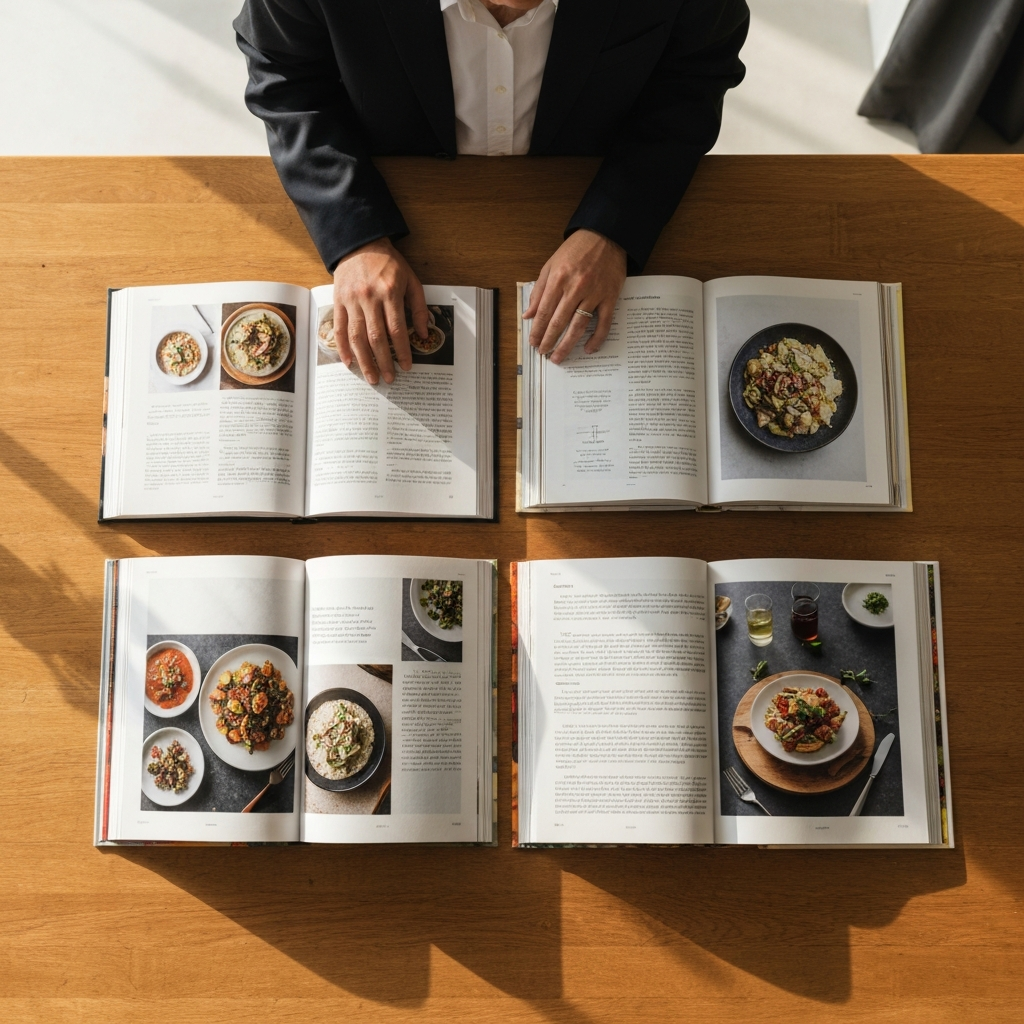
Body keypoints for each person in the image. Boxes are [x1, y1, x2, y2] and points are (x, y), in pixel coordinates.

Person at [235, 0, 749, 383]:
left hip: (583, 177)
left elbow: (696, 75)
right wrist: (355, 235)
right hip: (400, 177)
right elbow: (282, 71)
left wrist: (614, 225)